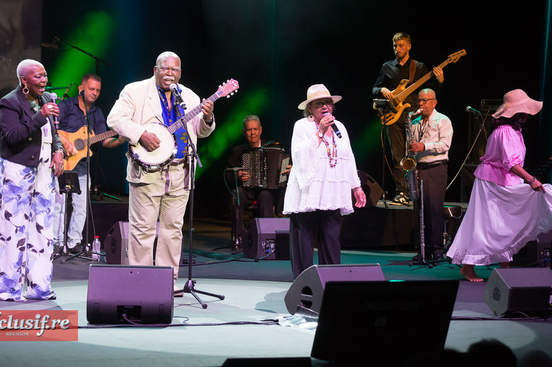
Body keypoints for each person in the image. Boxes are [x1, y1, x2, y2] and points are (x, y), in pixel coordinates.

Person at [107, 51, 215, 296]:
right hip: (147, 172)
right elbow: (115, 119)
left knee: (172, 230)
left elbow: (200, 130)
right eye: (165, 68)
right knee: (143, 229)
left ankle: (168, 280)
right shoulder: (134, 91)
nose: (170, 74)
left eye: (175, 70)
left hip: (180, 172)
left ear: (180, 72)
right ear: (155, 69)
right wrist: (140, 134)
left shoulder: (188, 95)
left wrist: (207, 117)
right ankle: (140, 282)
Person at [446, 89, 552, 281]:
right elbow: (511, 163)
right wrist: (531, 180)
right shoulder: (504, 132)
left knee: (505, 225)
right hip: (492, 183)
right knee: (486, 224)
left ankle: (505, 267)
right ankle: (468, 267)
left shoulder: (514, 131)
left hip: (506, 181)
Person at [0, 59, 65, 301]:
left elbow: (55, 131)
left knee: (43, 230)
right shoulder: (9, 102)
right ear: (24, 80)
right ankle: (9, 289)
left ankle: (40, 287)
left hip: (44, 170)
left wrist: (58, 151)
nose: (44, 80)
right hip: (18, 169)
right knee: (12, 229)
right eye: (38, 76)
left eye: (45, 75)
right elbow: (13, 137)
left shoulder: (48, 99)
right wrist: (39, 116)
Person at [283, 84, 366, 278]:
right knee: (303, 244)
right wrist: (319, 132)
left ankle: (331, 283)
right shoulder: (302, 126)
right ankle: (303, 287)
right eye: (319, 103)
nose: (324, 107)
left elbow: (348, 157)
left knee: (331, 240)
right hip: (308, 194)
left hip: (331, 194)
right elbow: (299, 155)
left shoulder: (340, 127)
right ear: (310, 108)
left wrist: (356, 186)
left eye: (327, 102)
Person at [54, 73, 125, 254]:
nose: (94, 93)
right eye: (91, 89)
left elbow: (103, 139)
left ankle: (74, 242)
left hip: (83, 164)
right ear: (81, 88)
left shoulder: (97, 113)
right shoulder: (67, 105)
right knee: (58, 204)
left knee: (81, 205)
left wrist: (119, 140)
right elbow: (52, 126)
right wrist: (65, 141)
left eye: (98, 90)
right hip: (62, 161)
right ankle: (56, 242)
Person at [372, 32, 444, 205]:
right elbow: (375, 88)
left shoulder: (419, 67)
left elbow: (429, 91)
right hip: (393, 117)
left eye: (401, 45)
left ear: (409, 46)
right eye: (395, 46)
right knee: (397, 156)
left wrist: (439, 81)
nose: (398, 49)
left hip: (414, 117)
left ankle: (416, 192)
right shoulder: (387, 67)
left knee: (414, 155)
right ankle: (401, 192)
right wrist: (383, 90)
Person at [226, 115, 287, 247]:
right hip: (247, 191)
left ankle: (267, 239)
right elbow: (228, 175)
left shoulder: (273, 147)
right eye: (249, 130)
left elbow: (284, 166)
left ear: (260, 130)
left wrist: (287, 169)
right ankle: (240, 239)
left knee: (265, 195)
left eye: (255, 129)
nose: (252, 133)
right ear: (244, 132)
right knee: (237, 194)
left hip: (267, 191)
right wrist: (238, 176)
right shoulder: (238, 151)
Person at [409, 88, 452, 261]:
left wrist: (424, 147)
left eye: (425, 100)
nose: (421, 104)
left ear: (434, 102)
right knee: (420, 210)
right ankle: (423, 249)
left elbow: (445, 144)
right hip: (419, 168)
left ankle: (437, 249)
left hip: (436, 168)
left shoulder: (443, 120)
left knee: (434, 209)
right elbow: (411, 147)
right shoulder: (414, 123)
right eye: (419, 100)